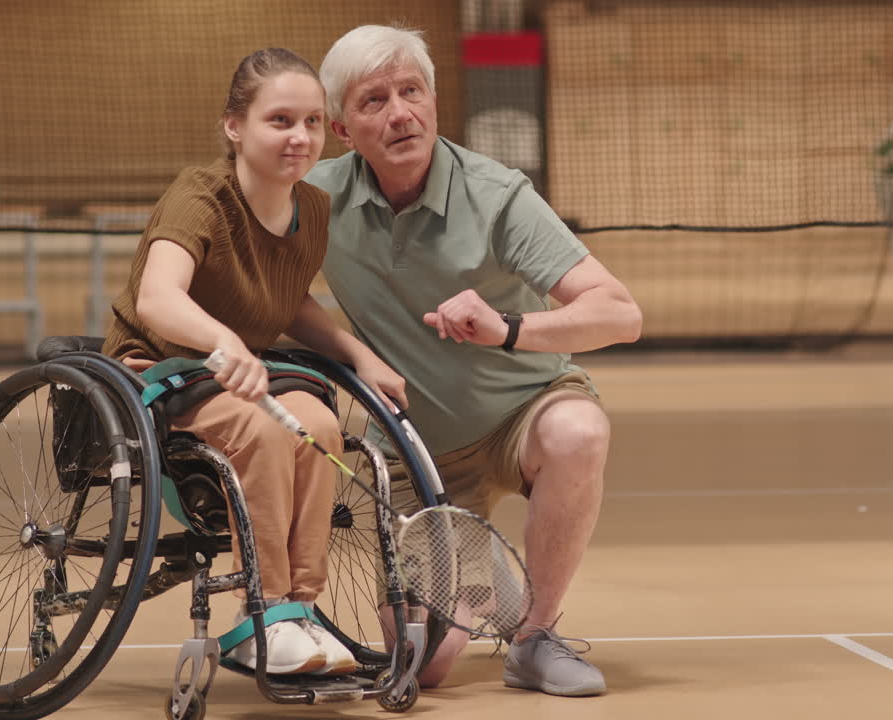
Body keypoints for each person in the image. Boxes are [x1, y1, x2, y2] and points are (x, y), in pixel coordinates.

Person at [305, 25, 643, 697]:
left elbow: (619, 313)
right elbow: (272, 292)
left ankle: (536, 637)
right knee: (424, 666)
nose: (400, 113)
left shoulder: (496, 195)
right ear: (342, 130)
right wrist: (352, 353)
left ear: (433, 102)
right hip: (413, 449)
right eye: (375, 100)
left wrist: (507, 328)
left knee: (578, 432)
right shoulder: (314, 199)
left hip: (522, 416)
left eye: (412, 92)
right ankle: (472, 565)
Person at [102, 47, 407, 676]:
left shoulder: (312, 208)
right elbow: (158, 298)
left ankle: (300, 609)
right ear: (235, 126)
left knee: (319, 427)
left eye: (313, 122)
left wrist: (360, 356)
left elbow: (288, 300)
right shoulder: (199, 196)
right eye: (280, 121)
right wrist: (226, 342)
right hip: (159, 371)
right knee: (267, 432)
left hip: (241, 372)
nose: (300, 137)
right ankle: (261, 613)